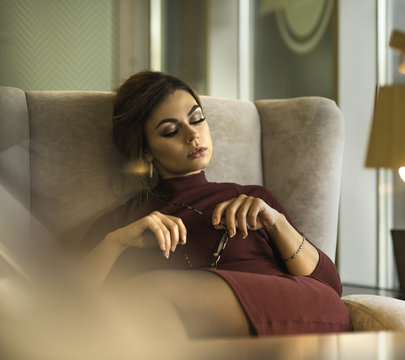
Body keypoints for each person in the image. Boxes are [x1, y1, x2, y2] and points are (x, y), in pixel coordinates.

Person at [79, 71, 352, 338]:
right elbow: (64, 306)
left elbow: (330, 287)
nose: (192, 135)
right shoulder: (125, 222)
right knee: (143, 296)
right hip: (216, 336)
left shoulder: (252, 198)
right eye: (171, 131)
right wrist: (116, 242)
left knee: (148, 292)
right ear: (146, 149)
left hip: (304, 308)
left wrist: (276, 221)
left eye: (197, 119)